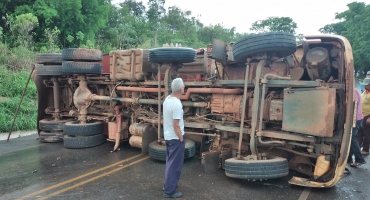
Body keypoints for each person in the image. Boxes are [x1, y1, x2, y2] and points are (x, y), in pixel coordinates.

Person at [163, 78, 185, 198]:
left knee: (170, 163)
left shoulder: (167, 99)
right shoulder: (177, 104)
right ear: (181, 89)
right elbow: (176, 124)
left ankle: (168, 185)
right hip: (176, 138)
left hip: (168, 136)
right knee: (175, 165)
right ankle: (169, 191)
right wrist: (181, 138)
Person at [348, 88, 366, 167]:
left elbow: (354, 106)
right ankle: (349, 158)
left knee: (352, 138)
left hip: (356, 119)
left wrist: (352, 121)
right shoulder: (352, 90)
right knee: (349, 138)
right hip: (354, 118)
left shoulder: (353, 91)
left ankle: (359, 159)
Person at [358, 78, 370, 155]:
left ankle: (366, 149)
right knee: (360, 133)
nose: (365, 86)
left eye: (366, 85)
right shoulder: (365, 92)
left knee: (366, 133)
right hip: (362, 115)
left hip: (367, 116)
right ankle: (358, 147)